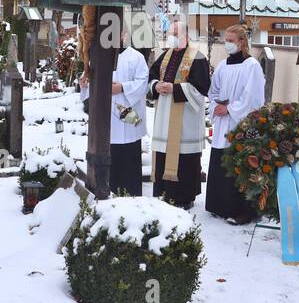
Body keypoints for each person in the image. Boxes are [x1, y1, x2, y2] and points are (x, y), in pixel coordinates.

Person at [205, 24, 266, 224]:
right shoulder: (222, 66)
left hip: (241, 123)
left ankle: (243, 211)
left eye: (231, 41)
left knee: (240, 165)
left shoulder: (252, 66)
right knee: (221, 162)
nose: (227, 44)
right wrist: (216, 105)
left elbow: (252, 97)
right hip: (223, 121)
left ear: (242, 42)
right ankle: (219, 206)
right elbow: (213, 91)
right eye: (226, 40)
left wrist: (230, 109)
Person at [147, 17, 209, 209]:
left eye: (175, 34)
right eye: (169, 34)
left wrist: (175, 89)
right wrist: (156, 86)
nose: (171, 38)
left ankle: (184, 197)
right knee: (165, 153)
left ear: (186, 36)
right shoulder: (164, 56)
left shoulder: (197, 57)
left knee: (184, 158)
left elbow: (202, 89)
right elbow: (151, 77)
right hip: (164, 116)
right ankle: (164, 192)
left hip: (185, 120)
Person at [80, 21, 147, 197]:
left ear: (124, 35)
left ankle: (131, 195)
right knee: (109, 155)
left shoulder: (136, 57)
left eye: (116, 33)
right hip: (106, 117)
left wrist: (123, 87)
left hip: (129, 117)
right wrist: (85, 84)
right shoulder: (99, 56)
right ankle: (108, 191)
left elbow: (143, 83)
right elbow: (89, 81)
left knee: (129, 158)